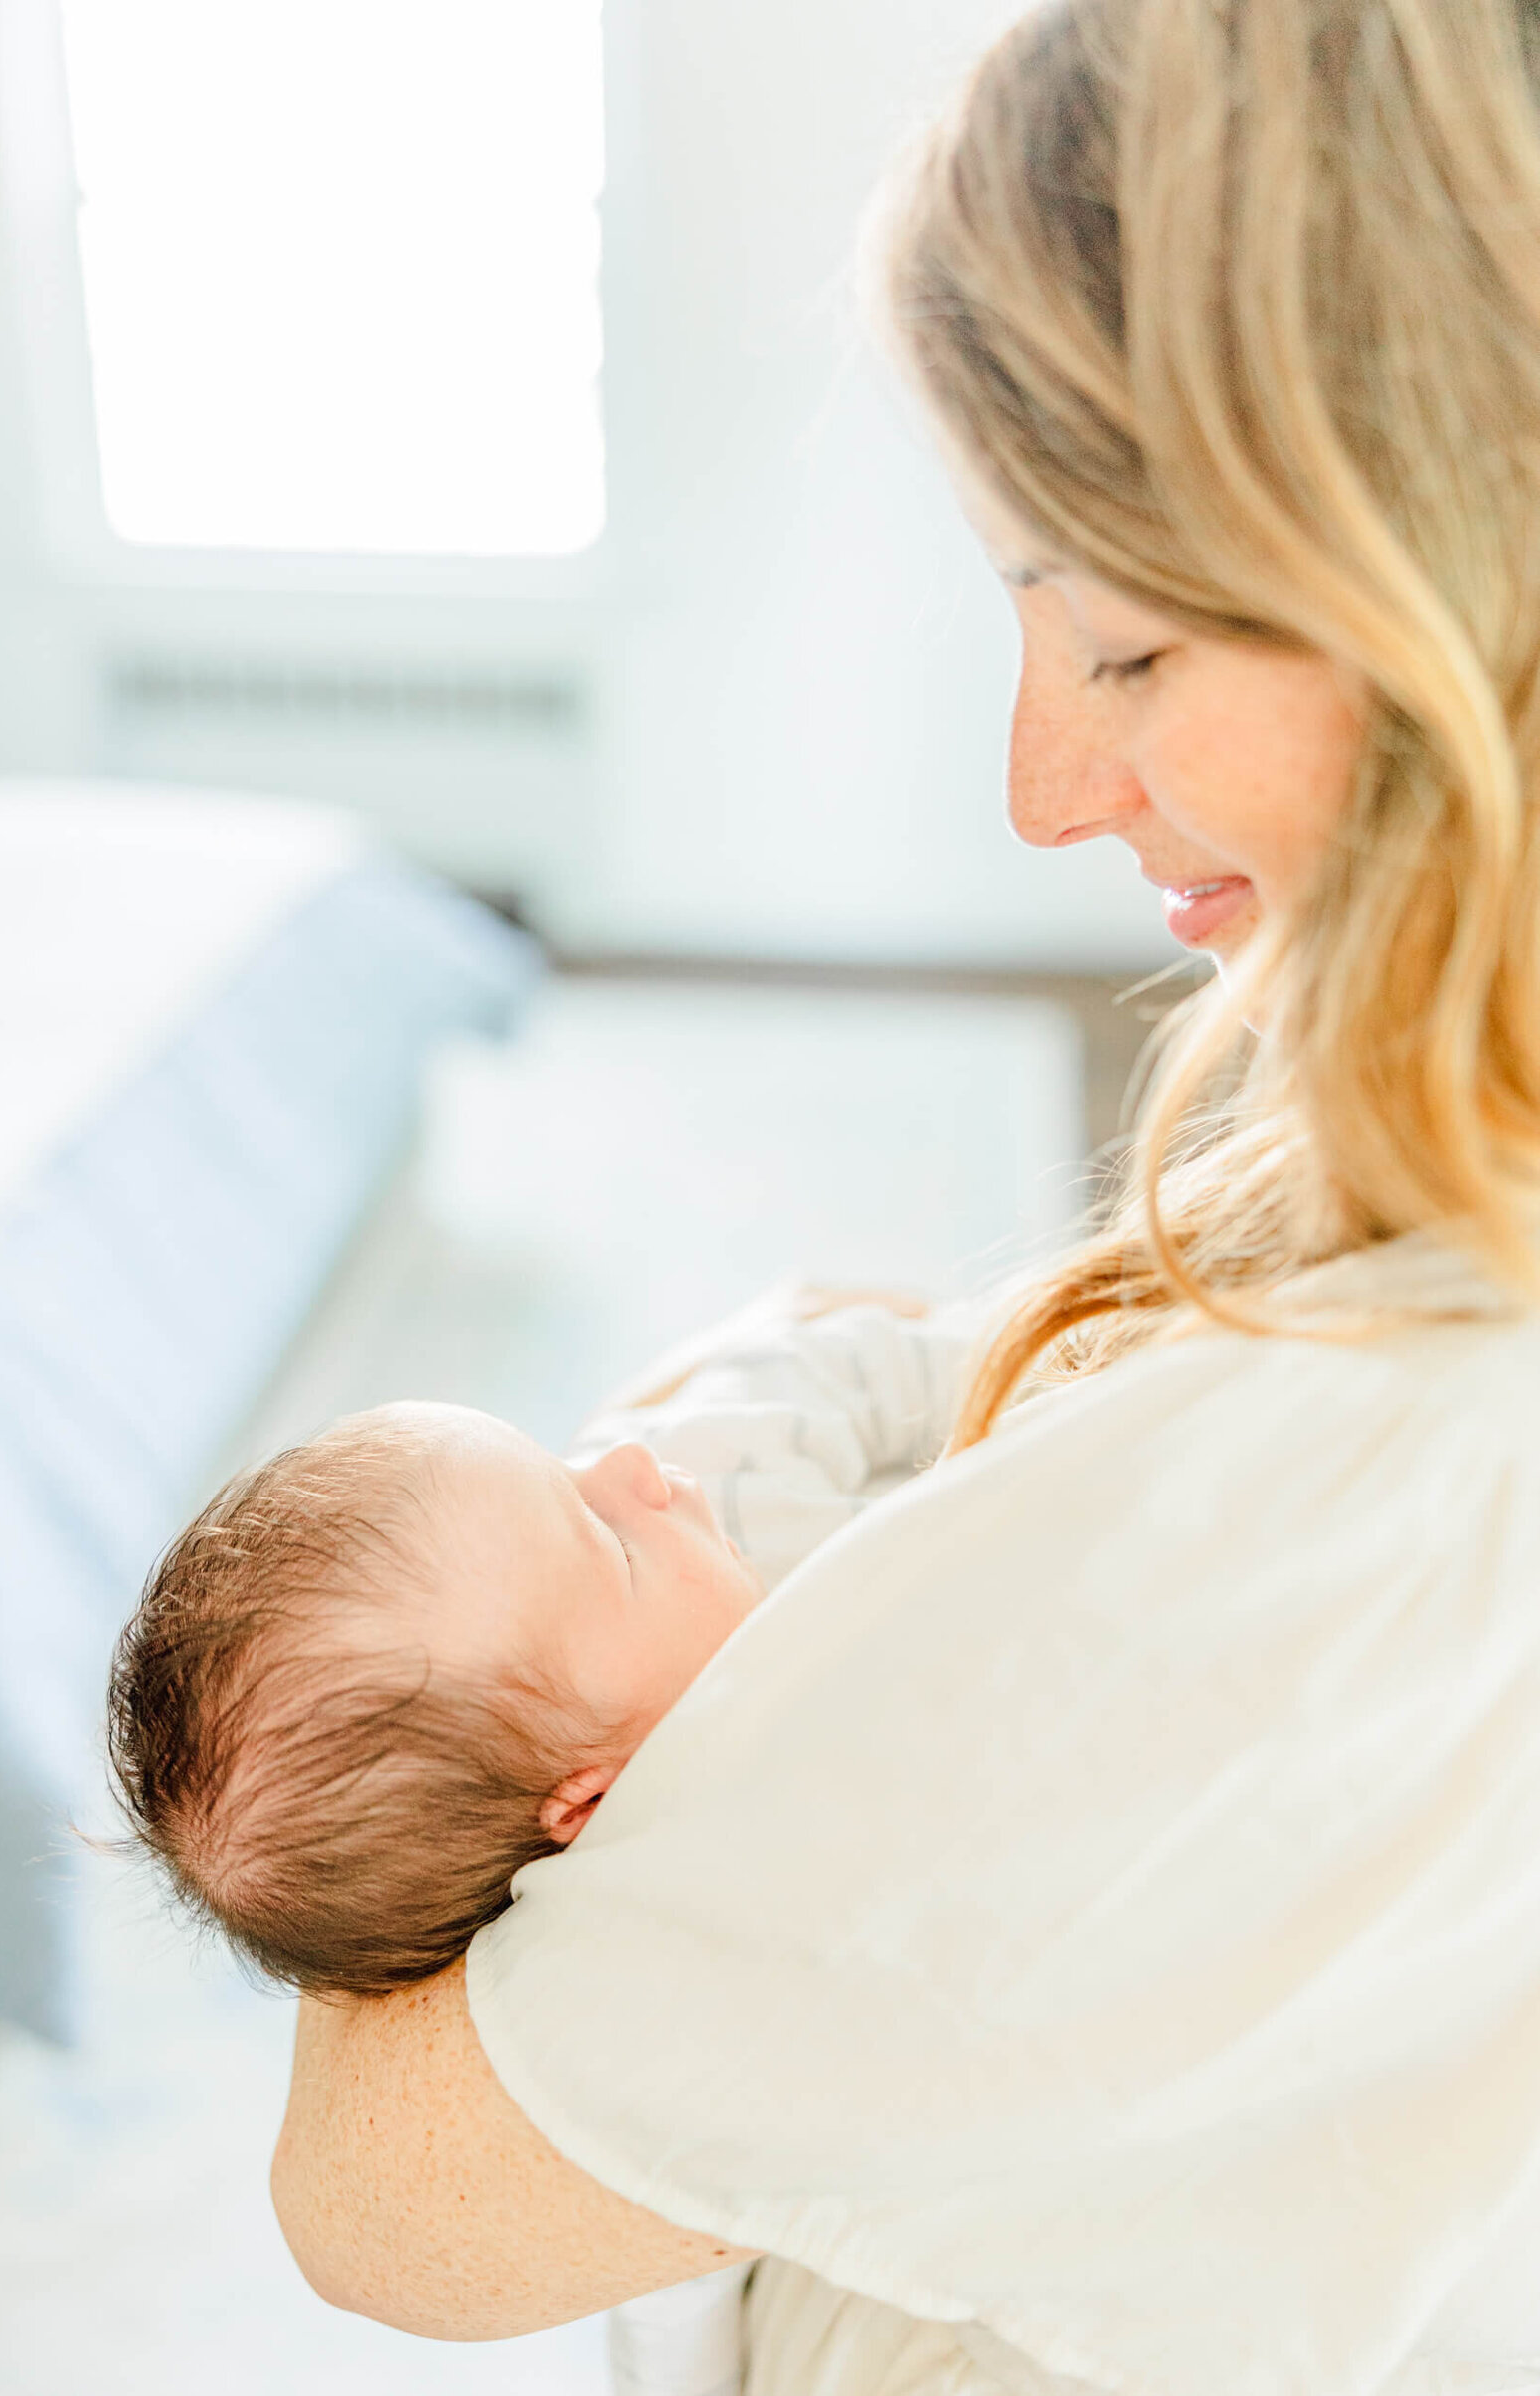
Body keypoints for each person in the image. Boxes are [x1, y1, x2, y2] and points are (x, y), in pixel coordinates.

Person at [266, 3, 1540, 2391]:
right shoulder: (1382, 1249)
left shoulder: (1300, 1515)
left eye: (1122, 638)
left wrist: (713, 1440)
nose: (1042, 779)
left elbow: (374, 2195)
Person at [104, 1302, 972, 1997]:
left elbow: (850, 1363)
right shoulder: (753, 1866)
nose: (632, 1468)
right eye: (605, 1535)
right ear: (588, 1805)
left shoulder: (721, 1473)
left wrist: (1033, 1363)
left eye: (557, 1469)